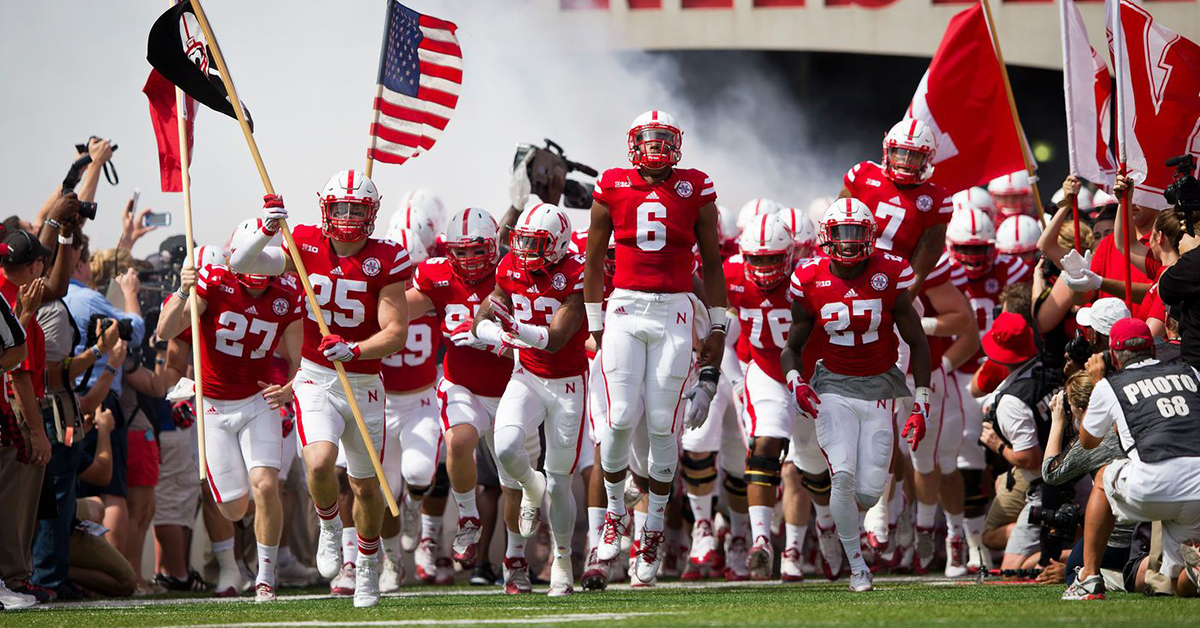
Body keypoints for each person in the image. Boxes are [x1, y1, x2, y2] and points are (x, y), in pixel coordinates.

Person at [229, 170, 412, 608]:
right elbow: (242, 263)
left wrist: (355, 347)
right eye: (341, 207)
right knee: (319, 462)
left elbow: (397, 331)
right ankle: (329, 526)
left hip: (364, 379)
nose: (348, 216)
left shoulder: (386, 257)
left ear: (372, 213)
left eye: (357, 208)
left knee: (366, 488)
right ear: (325, 209)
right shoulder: (304, 240)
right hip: (315, 374)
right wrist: (265, 228)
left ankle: (366, 568)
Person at [582, 110, 727, 587]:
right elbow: (595, 260)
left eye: (665, 139)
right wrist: (596, 323)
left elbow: (711, 261)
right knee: (620, 416)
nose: (657, 147)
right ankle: (615, 517)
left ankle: (654, 529)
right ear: (632, 144)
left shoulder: (696, 186)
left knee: (665, 425)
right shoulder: (611, 184)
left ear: (678, 144)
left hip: (676, 310)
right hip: (624, 304)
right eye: (649, 139)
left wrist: (719, 327)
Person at [781, 198, 931, 592]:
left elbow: (917, 341)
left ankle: (854, 529)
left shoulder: (891, 271)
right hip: (833, 386)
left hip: (881, 385)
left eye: (856, 233)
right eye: (841, 234)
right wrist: (797, 381)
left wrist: (922, 403)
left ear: (870, 236)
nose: (848, 243)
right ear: (826, 237)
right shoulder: (809, 276)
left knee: (867, 490)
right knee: (843, 477)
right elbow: (791, 346)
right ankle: (857, 566)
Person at [158, 220, 304, 602]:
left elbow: (299, 356)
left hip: (259, 400)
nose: (259, 276)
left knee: (268, 486)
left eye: (266, 267)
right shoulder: (215, 281)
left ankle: (266, 577)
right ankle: (234, 563)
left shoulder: (286, 292)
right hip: (213, 407)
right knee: (234, 505)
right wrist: (182, 290)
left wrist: (293, 385)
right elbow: (164, 331)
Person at [475, 202, 588, 596]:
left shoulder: (576, 272)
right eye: (521, 241)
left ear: (558, 244)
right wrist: (501, 335)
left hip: (567, 382)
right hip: (527, 375)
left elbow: (556, 341)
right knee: (505, 446)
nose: (524, 251)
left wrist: (516, 328)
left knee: (560, 483)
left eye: (535, 242)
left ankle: (562, 560)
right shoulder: (510, 267)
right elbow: (481, 323)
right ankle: (528, 485)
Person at [405, 207, 518, 584]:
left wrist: (499, 341)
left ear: (494, 246)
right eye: (462, 251)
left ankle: (516, 557)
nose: (469, 260)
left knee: (516, 480)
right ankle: (468, 518)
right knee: (458, 440)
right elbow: (400, 308)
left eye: (476, 250)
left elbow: (537, 327)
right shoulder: (437, 275)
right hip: (462, 384)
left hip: (512, 389)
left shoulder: (512, 274)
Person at [1063, 318, 1200, 599]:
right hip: (1198, 485)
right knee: (1177, 585)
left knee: (1103, 478)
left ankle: (1089, 577)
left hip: (1154, 483)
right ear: (1152, 350)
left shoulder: (1109, 384)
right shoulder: (1192, 372)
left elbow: (1088, 441)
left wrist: (1098, 382)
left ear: (1112, 355)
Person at [725, 213, 826, 581]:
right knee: (764, 445)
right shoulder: (732, 274)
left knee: (813, 465)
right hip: (766, 372)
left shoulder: (809, 278)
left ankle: (826, 526)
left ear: (788, 255)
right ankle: (762, 541)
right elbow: (716, 323)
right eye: (757, 258)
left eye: (772, 258)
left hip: (810, 374)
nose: (764, 267)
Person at [977, 313, 1064, 572]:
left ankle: (1088, 556)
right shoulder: (1054, 364)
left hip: (1045, 484)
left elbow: (1031, 459)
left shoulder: (1011, 402)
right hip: (1073, 471)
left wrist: (997, 445)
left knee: (1011, 569)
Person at [839, 118, 953, 291]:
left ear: (927, 158)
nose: (905, 162)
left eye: (914, 155)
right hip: (847, 268)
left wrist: (901, 302)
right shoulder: (863, 174)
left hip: (891, 282)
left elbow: (919, 272)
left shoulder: (936, 200)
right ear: (888, 150)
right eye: (900, 152)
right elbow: (834, 228)